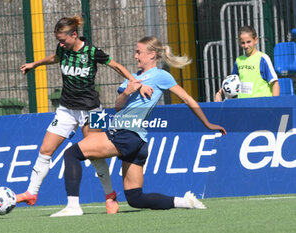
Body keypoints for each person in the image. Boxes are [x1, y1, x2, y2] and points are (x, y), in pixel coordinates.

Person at [50, 36, 226, 217]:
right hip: (137, 140)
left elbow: (187, 99)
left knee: (71, 154)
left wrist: (207, 123)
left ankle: (73, 206)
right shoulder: (132, 78)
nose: (135, 56)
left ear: (152, 55)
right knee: (135, 198)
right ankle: (185, 201)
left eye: (138, 52)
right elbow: (118, 105)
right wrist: (127, 91)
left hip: (126, 133)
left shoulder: (161, 76)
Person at [17, 15, 151, 216]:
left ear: (74, 34)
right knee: (45, 150)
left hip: (92, 110)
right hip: (66, 109)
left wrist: (135, 82)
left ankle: (110, 196)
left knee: (93, 154)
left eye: (63, 40)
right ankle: (31, 193)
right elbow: (55, 58)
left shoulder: (92, 52)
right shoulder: (63, 50)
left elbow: (116, 66)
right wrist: (34, 64)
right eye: (58, 41)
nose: (61, 44)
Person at [215, 25, 280, 101]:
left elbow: (275, 83)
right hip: (243, 105)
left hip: (262, 105)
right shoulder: (239, 61)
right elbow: (231, 82)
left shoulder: (263, 58)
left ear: (255, 40)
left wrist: (275, 104)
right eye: (243, 43)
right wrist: (219, 93)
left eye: (248, 42)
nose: (246, 46)